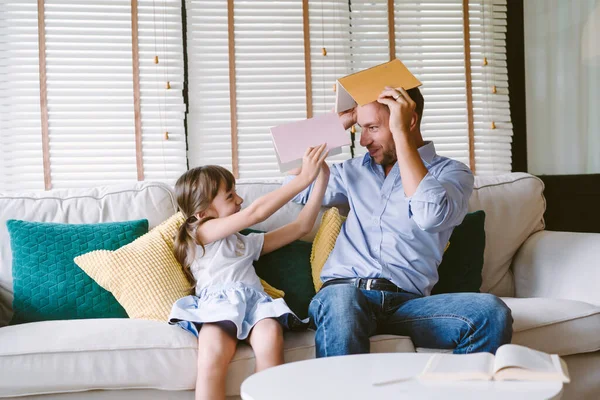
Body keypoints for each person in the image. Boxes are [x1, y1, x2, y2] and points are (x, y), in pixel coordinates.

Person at [284, 86, 513, 357]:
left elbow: (430, 216)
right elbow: (294, 186)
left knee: (490, 312)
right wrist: (341, 122)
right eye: (361, 128)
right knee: (342, 302)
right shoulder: (353, 171)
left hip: (407, 305)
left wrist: (401, 134)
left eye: (373, 127)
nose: (364, 140)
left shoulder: (452, 173)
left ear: (409, 120)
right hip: (344, 294)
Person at [169, 144, 329, 400]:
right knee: (211, 357)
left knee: (271, 337)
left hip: (256, 305)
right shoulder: (199, 234)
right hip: (216, 307)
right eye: (230, 196)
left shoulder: (244, 243)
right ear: (202, 213)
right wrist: (303, 179)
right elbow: (255, 213)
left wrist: (321, 179)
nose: (240, 200)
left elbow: (301, 227)